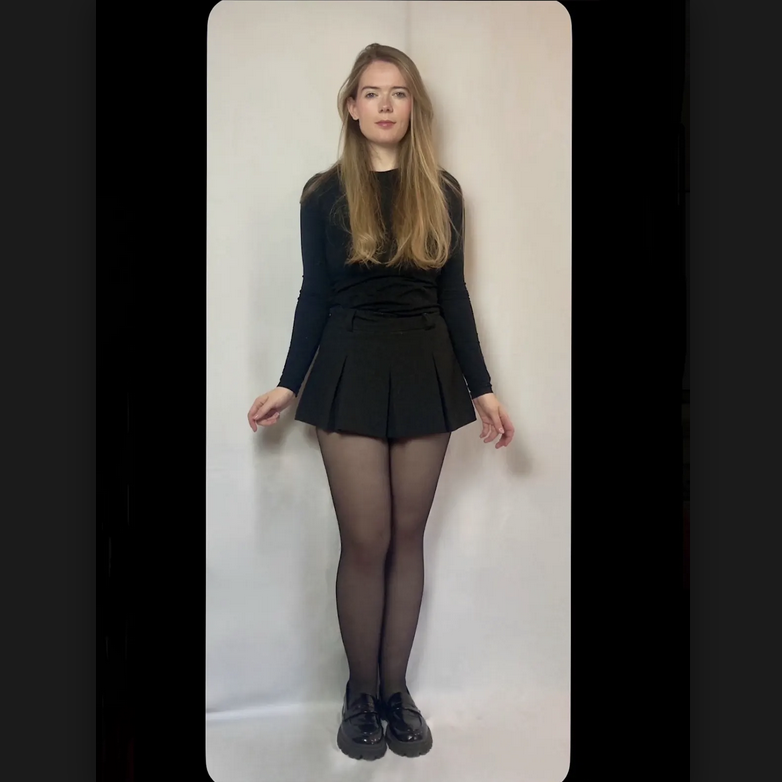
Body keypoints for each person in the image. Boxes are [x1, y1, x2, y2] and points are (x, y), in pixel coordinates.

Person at [247, 43, 515, 761]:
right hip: (348, 365)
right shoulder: (323, 195)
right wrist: (289, 382)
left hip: (427, 364)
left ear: (413, 106)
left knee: (406, 537)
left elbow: (454, 295)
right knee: (365, 541)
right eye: (372, 92)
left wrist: (483, 388)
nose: (386, 104)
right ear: (352, 106)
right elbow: (315, 294)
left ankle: (396, 693)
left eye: (398, 93)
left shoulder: (443, 192)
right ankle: (360, 694)